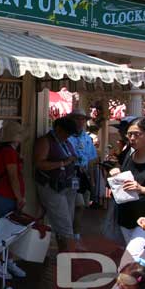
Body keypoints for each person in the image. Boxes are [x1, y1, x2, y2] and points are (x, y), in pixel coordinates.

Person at [34, 117, 79, 252]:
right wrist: (62, 163)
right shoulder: (45, 141)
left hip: (67, 186)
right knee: (65, 225)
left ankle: (63, 254)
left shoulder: (65, 142)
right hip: (53, 187)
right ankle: (70, 260)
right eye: (67, 133)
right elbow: (39, 163)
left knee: (66, 223)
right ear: (58, 129)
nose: (68, 136)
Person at [0, 120, 27, 278]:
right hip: (5, 196)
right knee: (5, 233)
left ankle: (6, 260)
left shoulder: (4, 151)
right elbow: (12, 176)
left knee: (6, 232)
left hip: (1, 195)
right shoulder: (9, 152)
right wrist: (19, 197)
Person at [109, 118, 145, 268]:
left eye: (136, 134)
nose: (131, 138)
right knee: (140, 265)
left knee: (127, 265)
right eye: (129, 134)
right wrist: (115, 171)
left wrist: (142, 189)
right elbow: (119, 166)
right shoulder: (128, 153)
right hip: (126, 217)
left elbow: (139, 187)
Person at [67, 108, 98, 240]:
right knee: (75, 203)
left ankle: (76, 232)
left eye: (82, 119)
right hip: (69, 172)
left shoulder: (87, 138)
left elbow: (91, 159)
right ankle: (70, 232)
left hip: (83, 174)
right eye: (77, 118)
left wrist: (91, 179)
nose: (80, 122)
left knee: (82, 205)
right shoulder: (66, 135)